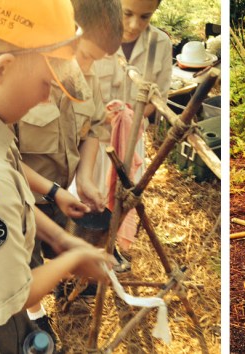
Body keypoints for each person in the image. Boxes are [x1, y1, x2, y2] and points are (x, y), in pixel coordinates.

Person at [0, 1, 114, 352]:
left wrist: (59, 238)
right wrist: (74, 260)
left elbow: (16, 186)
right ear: (1, 70)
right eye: (46, 83)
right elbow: (7, 298)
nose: (48, 96)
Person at [14, 0, 123, 343]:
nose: (87, 67)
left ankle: (63, 283)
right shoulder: (23, 77)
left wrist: (85, 178)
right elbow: (3, 156)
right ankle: (35, 315)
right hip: (23, 195)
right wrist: (51, 191)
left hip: (60, 191)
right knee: (25, 260)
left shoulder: (85, 74)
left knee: (60, 242)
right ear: (65, 35)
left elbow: (95, 129)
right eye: (86, 55)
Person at [94, 0, 172, 261]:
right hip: (96, 137)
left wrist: (130, 117)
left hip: (133, 135)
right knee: (93, 192)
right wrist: (104, 117)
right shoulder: (95, 36)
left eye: (145, 17)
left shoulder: (160, 44)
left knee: (124, 194)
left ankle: (111, 246)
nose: (133, 25)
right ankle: (88, 247)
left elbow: (158, 96)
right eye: (127, 14)